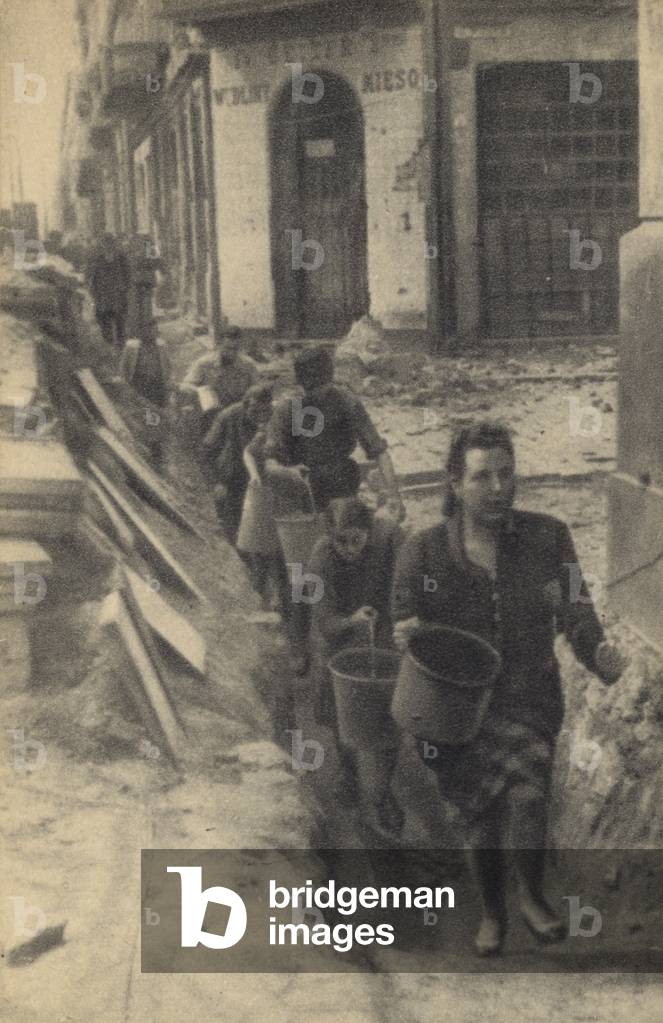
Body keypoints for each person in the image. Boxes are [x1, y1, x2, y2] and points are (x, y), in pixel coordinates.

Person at [391, 421, 626, 957]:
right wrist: (404, 631)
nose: (497, 487)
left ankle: (533, 896)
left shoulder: (550, 538)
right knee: (477, 816)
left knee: (529, 795)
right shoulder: (423, 553)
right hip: (454, 709)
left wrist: (598, 654)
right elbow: (401, 617)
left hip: (528, 699)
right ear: (455, 484)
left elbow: (578, 610)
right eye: (481, 477)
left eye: (506, 473)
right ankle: (493, 911)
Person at [309, 497, 405, 830]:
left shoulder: (387, 539)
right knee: (340, 709)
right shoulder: (320, 561)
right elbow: (325, 624)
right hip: (342, 638)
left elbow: (406, 582)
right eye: (341, 541)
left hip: (383, 630)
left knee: (391, 711)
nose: (349, 548)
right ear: (329, 537)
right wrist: (352, 621)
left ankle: (384, 792)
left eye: (356, 539)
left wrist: (399, 620)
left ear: (368, 531)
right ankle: (348, 772)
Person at [264, 344, 405, 517]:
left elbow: (379, 452)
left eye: (320, 386)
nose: (314, 392)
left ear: (329, 379)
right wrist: (286, 472)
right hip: (300, 484)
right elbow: (270, 463)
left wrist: (394, 496)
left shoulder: (346, 402)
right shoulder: (288, 408)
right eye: (309, 388)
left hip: (340, 479)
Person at [202, 383, 274, 547]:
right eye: (255, 411)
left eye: (265, 411)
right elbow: (207, 451)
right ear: (245, 405)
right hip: (232, 477)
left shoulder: (274, 416)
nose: (260, 416)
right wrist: (216, 483)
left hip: (260, 477)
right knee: (233, 526)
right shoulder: (228, 416)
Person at [236, 408, 288, 614]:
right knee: (259, 545)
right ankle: (263, 593)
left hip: (285, 494)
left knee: (279, 548)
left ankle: (277, 596)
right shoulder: (268, 433)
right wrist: (254, 475)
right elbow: (248, 452)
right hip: (264, 494)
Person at [179, 324, 258, 439]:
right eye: (228, 348)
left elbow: (257, 389)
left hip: (239, 417)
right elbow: (185, 385)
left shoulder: (248, 365)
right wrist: (203, 392)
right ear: (219, 345)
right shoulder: (205, 363)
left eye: (235, 349)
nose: (231, 353)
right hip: (212, 417)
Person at [119, 320, 170, 470]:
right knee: (145, 419)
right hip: (140, 387)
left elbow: (167, 366)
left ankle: (156, 452)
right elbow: (124, 368)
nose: (151, 334)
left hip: (157, 388)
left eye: (154, 331)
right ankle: (149, 452)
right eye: (148, 331)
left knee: (154, 420)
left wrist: (166, 383)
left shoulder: (161, 346)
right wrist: (127, 386)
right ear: (142, 332)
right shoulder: (131, 347)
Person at [86, 232, 130, 348]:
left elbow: (128, 275)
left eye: (110, 243)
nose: (108, 246)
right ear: (102, 245)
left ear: (114, 244)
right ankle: (109, 344)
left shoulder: (121, 259)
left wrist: (125, 288)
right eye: (105, 243)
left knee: (120, 321)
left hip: (118, 295)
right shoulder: (97, 259)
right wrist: (93, 291)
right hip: (103, 295)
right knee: (103, 320)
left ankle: (120, 346)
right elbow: (91, 276)